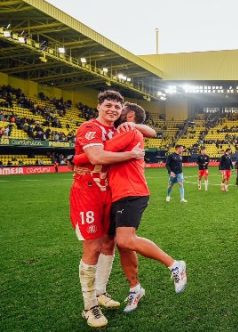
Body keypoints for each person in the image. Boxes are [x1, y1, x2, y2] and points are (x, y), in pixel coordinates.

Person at [73, 103, 187, 313]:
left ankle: (174, 264)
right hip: (118, 194)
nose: (117, 112)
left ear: (130, 115)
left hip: (131, 193)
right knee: (122, 245)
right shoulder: (123, 130)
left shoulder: (129, 131)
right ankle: (135, 288)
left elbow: (98, 154)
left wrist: (79, 156)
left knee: (125, 240)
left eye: (122, 109)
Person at [68, 90, 144, 327]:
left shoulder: (116, 129)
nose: (112, 110)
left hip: (111, 194)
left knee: (110, 242)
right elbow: (96, 155)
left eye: (117, 107)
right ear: (98, 106)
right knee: (92, 246)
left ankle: (100, 292)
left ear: (122, 111)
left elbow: (147, 130)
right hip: (87, 193)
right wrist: (130, 154)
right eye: (108, 105)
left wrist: (132, 128)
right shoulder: (90, 127)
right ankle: (89, 307)